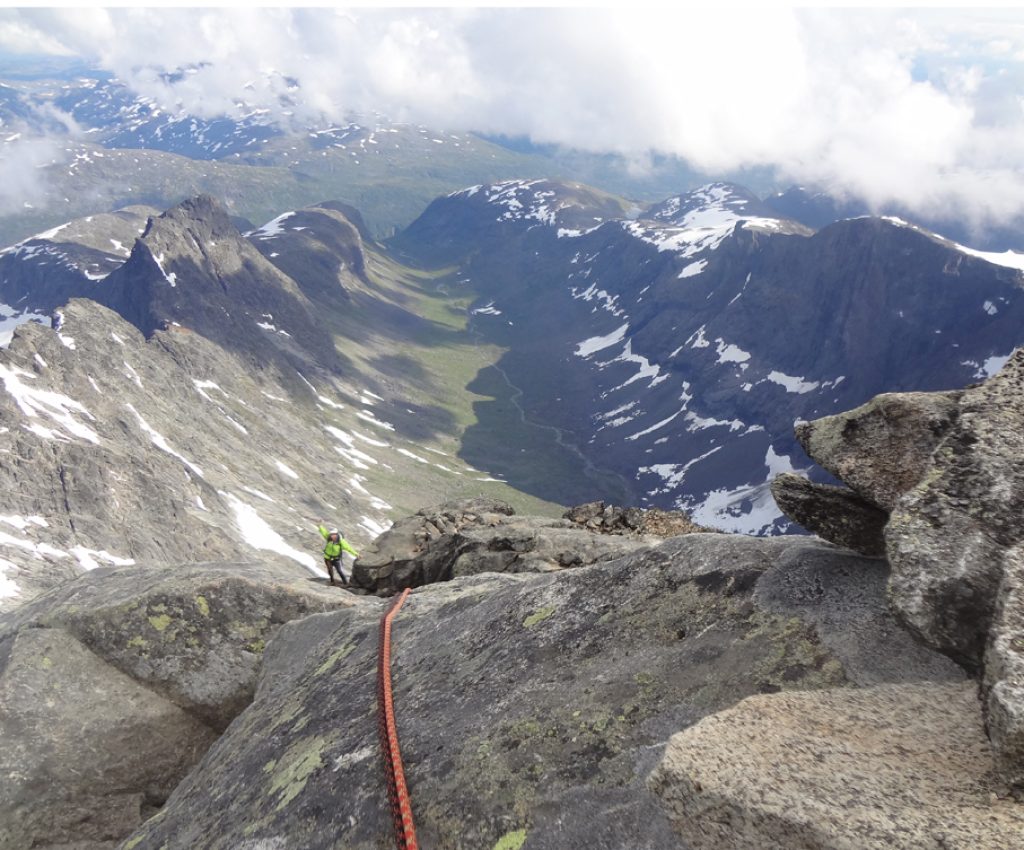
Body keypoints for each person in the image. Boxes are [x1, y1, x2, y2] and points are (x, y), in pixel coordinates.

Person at [317, 521, 359, 586]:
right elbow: (324, 532)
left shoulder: (341, 541)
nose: (333, 536)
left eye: (334, 535)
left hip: (336, 559)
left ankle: (346, 583)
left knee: (339, 571)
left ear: (337, 534)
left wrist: (356, 554)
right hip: (327, 558)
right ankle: (332, 581)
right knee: (330, 570)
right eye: (331, 535)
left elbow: (348, 548)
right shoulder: (328, 538)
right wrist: (320, 526)